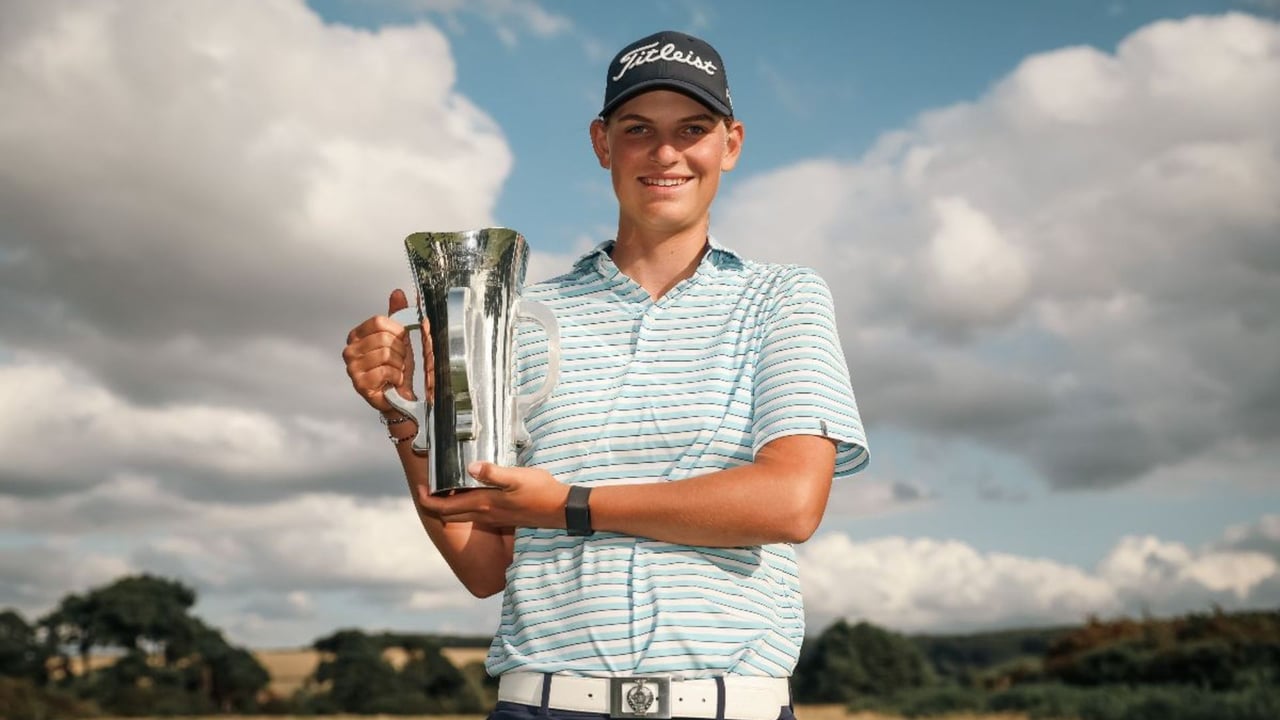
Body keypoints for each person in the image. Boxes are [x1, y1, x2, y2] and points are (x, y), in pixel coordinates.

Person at [342, 30, 868, 720]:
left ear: (730, 144)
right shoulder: (519, 316)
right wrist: (405, 416)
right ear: (602, 143)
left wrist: (569, 505)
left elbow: (791, 502)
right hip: (545, 703)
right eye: (638, 129)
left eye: (693, 129)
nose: (666, 152)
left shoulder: (783, 297)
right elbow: (483, 566)